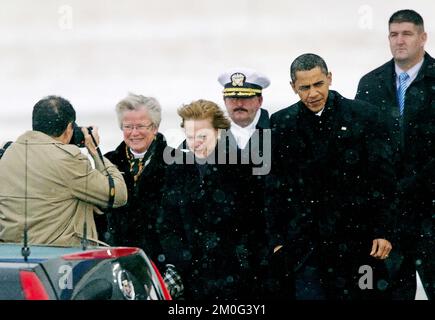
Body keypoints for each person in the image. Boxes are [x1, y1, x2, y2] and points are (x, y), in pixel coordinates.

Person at [268, 54, 395, 299]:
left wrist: (384, 230)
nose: (312, 93)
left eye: (318, 84)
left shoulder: (364, 116)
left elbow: (384, 179)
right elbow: (275, 187)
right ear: (293, 87)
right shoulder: (281, 123)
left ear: (329, 78)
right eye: (304, 87)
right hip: (306, 247)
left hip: (360, 242)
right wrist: (277, 240)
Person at [356, 9, 435, 300]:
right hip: (389, 216)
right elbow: (360, 148)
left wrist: (415, 184)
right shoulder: (370, 84)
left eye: (407, 33)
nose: (399, 40)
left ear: (423, 37)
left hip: (430, 209)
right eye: (393, 34)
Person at [158, 99, 261, 300]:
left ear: (218, 131)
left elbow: (256, 223)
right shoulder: (177, 170)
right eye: (190, 136)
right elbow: (166, 224)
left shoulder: (243, 167)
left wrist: (244, 261)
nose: (195, 142)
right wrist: (183, 260)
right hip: (191, 279)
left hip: (236, 279)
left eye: (202, 136)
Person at [0, 95, 127, 246]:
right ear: (68, 128)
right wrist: (95, 150)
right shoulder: (68, 161)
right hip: (60, 262)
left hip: (12, 256)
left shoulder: (8, 153)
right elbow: (118, 195)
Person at [218, 67, 272, 295]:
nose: (238, 103)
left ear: (259, 100)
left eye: (245, 97)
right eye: (232, 98)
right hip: (223, 249)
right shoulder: (208, 134)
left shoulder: (280, 131)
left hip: (268, 245)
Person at [96, 93, 167, 261]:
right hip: (117, 258)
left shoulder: (176, 162)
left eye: (141, 126)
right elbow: (99, 215)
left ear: (155, 127)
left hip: (161, 260)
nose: (134, 133)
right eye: (128, 126)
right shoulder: (108, 161)